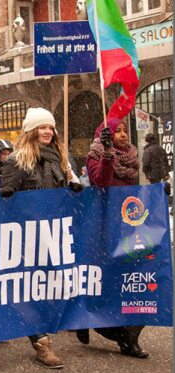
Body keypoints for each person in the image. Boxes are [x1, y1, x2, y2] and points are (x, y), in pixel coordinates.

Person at [0, 107, 82, 369]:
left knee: (51, 287)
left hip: (54, 235)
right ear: (31, 131)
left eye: (50, 127)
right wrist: (10, 192)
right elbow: (5, 199)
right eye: (42, 127)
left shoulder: (60, 160)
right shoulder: (17, 161)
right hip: (28, 238)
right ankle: (41, 343)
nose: (47, 131)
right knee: (31, 289)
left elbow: (67, 189)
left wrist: (74, 187)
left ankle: (47, 328)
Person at [81, 117, 151, 358]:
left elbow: (135, 192)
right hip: (105, 227)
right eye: (117, 131)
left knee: (135, 280)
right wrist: (107, 155)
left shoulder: (132, 155)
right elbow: (100, 181)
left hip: (128, 226)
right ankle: (93, 321)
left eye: (124, 131)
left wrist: (157, 195)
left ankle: (130, 336)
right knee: (108, 281)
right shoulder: (96, 154)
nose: (122, 134)